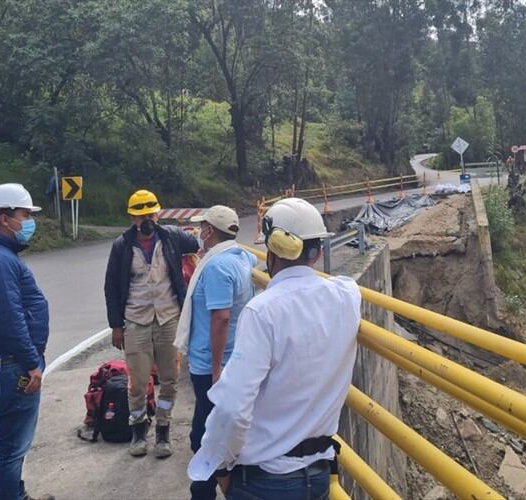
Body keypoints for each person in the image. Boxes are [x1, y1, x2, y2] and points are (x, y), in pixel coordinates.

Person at [187, 198, 362, 500]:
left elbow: (232, 407)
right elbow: (345, 284)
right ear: (319, 252)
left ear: (271, 250)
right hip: (319, 474)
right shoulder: (346, 297)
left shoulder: (262, 311)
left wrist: (220, 466)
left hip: (266, 479)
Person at [0, 183, 52, 500]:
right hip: (12, 364)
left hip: (9, 361)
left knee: (15, 442)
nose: (29, 221)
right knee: (11, 447)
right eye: (25, 214)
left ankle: (16, 493)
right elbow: (9, 318)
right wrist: (31, 363)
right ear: (5, 218)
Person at [104, 189, 199, 458]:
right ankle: (138, 431)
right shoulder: (122, 246)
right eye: (140, 215)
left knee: (170, 379)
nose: (146, 219)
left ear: (157, 214)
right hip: (136, 321)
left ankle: (163, 431)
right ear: (133, 218)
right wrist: (116, 326)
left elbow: (198, 243)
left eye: (150, 213)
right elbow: (111, 288)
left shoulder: (170, 237)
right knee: (137, 381)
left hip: (169, 318)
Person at [173, 205, 257, 500]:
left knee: (208, 437)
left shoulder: (218, 267)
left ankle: (213, 492)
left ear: (210, 231)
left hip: (211, 365)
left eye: (202, 227)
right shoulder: (241, 256)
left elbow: (220, 318)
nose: (199, 232)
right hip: (227, 360)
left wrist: (216, 368)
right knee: (202, 433)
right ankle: (201, 490)